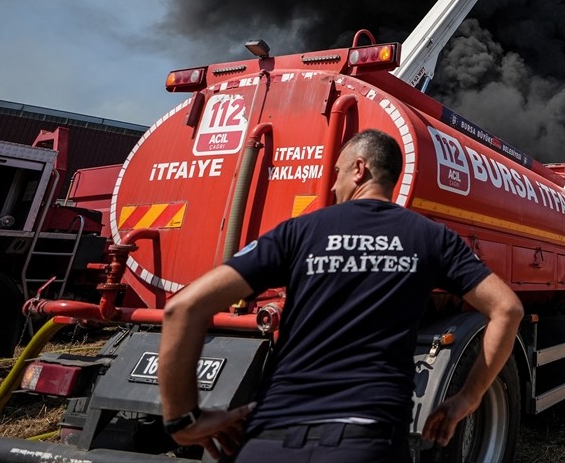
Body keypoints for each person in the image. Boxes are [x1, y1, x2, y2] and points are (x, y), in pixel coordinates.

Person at [158, 128, 524, 462]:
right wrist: (468, 399)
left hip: (270, 441)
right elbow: (507, 309)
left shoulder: (299, 232)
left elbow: (183, 308)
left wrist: (184, 420)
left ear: (359, 169)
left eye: (336, 172)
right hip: (367, 442)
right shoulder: (430, 237)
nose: (332, 186)